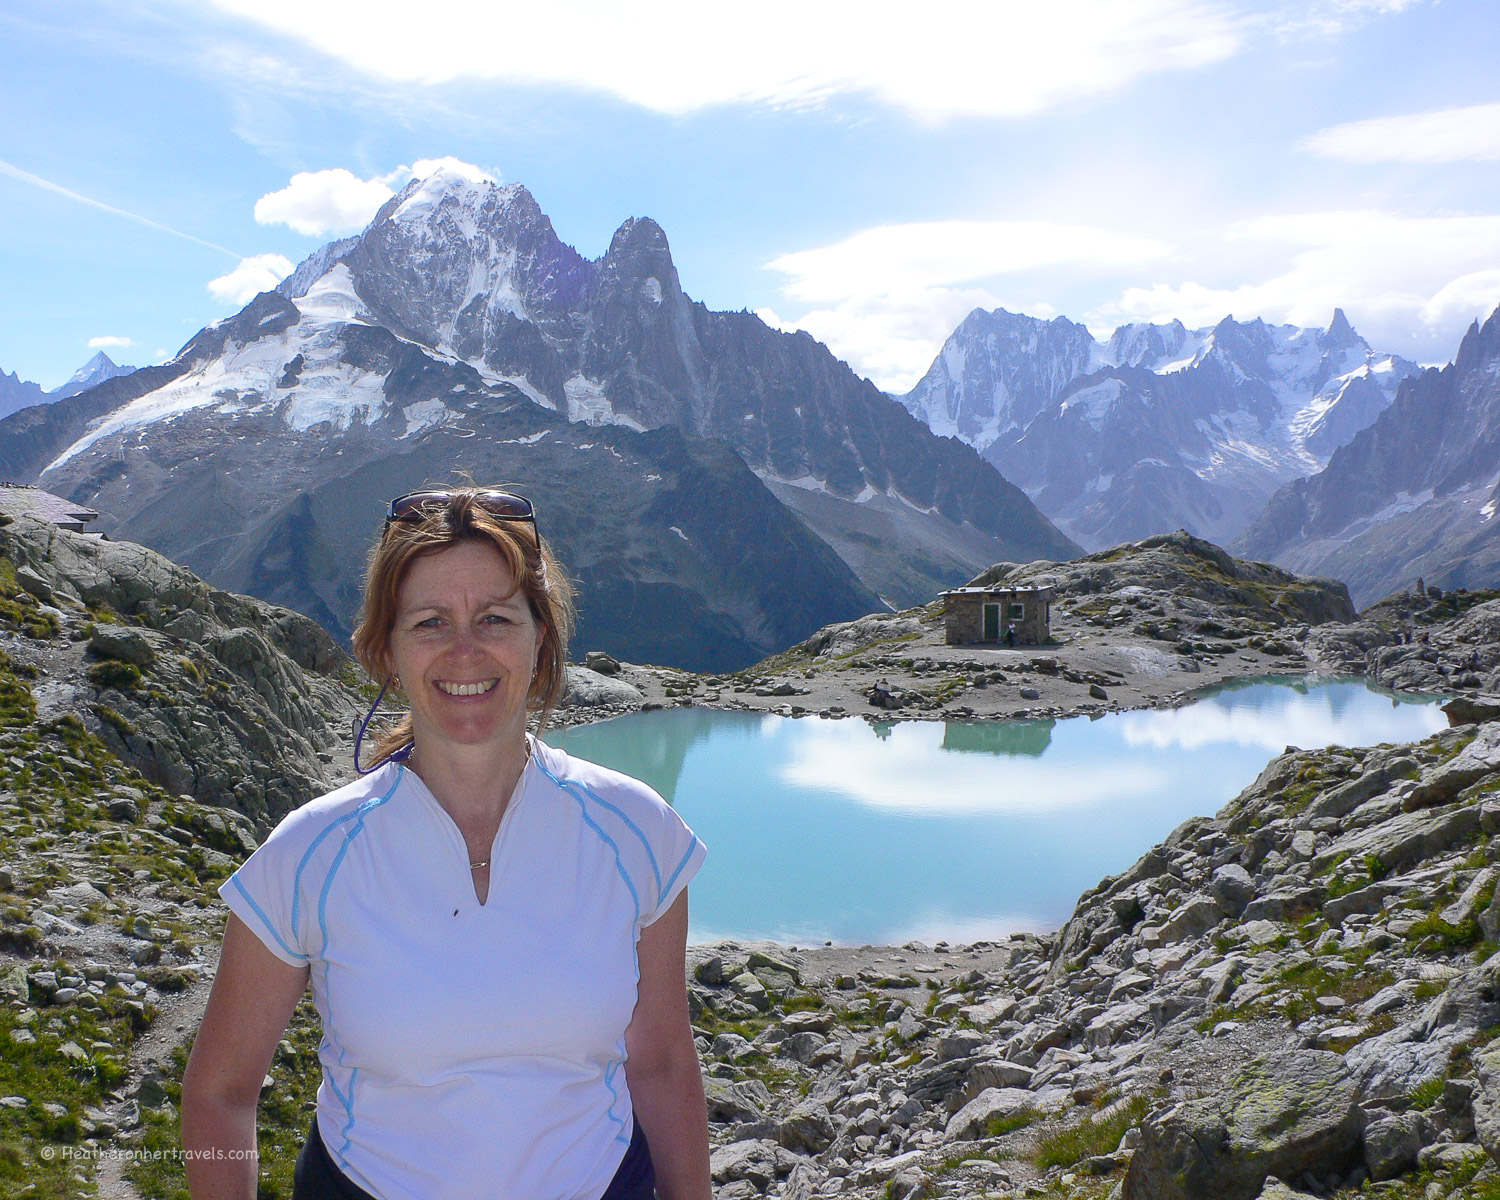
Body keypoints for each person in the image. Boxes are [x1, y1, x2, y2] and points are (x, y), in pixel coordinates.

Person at [181, 487, 711, 1200]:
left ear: (540, 637)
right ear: (386, 649)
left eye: (495, 617)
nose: (466, 651)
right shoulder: (310, 852)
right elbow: (221, 1090)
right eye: (430, 622)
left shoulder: (636, 829)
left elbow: (664, 1063)